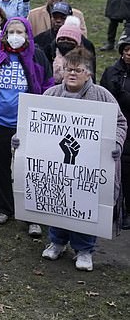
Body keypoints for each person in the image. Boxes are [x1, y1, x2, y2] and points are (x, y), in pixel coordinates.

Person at [21, 48, 126, 271]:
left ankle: (85, 249)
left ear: (88, 73)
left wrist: (115, 143)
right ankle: (57, 241)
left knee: (84, 204)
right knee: (58, 201)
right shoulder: (51, 94)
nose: (72, 74)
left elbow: (120, 123)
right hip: (56, 163)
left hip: (89, 165)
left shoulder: (102, 95)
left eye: (78, 70)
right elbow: (33, 125)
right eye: (69, 69)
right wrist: (20, 140)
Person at [0, 17, 53, 235]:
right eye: (11, 32)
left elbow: (47, 86)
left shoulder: (37, 56)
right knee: (0, 166)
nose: (15, 36)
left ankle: (32, 215)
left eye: (20, 32)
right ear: (4, 34)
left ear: (27, 35)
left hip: (27, 124)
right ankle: (4, 208)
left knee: (29, 170)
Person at [100, 29, 130, 230]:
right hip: (112, 128)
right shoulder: (111, 72)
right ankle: (111, 206)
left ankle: (126, 209)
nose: (129, 53)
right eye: (127, 49)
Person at [42, 20, 97, 84]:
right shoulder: (48, 53)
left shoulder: (86, 58)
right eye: (62, 39)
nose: (65, 41)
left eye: (70, 39)